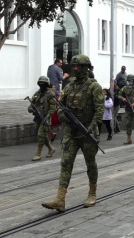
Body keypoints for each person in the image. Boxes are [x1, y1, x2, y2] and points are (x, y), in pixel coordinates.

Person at [42, 54, 104, 212]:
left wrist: (90, 127)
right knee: (66, 163)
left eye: (78, 67)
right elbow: (60, 106)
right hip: (71, 132)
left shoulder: (93, 86)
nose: (75, 69)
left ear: (85, 68)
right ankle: (60, 199)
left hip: (87, 132)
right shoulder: (69, 86)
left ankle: (92, 193)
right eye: (74, 66)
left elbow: (99, 111)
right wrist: (64, 117)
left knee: (90, 163)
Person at [28, 76, 57, 161]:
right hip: (38, 117)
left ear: (47, 84)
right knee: (42, 135)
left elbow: (52, 108)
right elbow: (31, 104)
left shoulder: (50, 94)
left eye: (43, 83)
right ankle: (51, 149)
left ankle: (38, 154)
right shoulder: (37, 94)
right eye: (40, 83)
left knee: (41, 134)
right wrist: (31, 109)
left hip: (46, 118)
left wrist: (47, 117)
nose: (41, 85)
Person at [118, 74, 134, 144]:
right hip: (128, 108)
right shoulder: (125, 88)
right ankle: (128, 139)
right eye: (129, 81)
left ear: (133, 81)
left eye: (131, 81)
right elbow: (119, 94)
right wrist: (123, 98)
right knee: (128, 123)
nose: (130, 82)